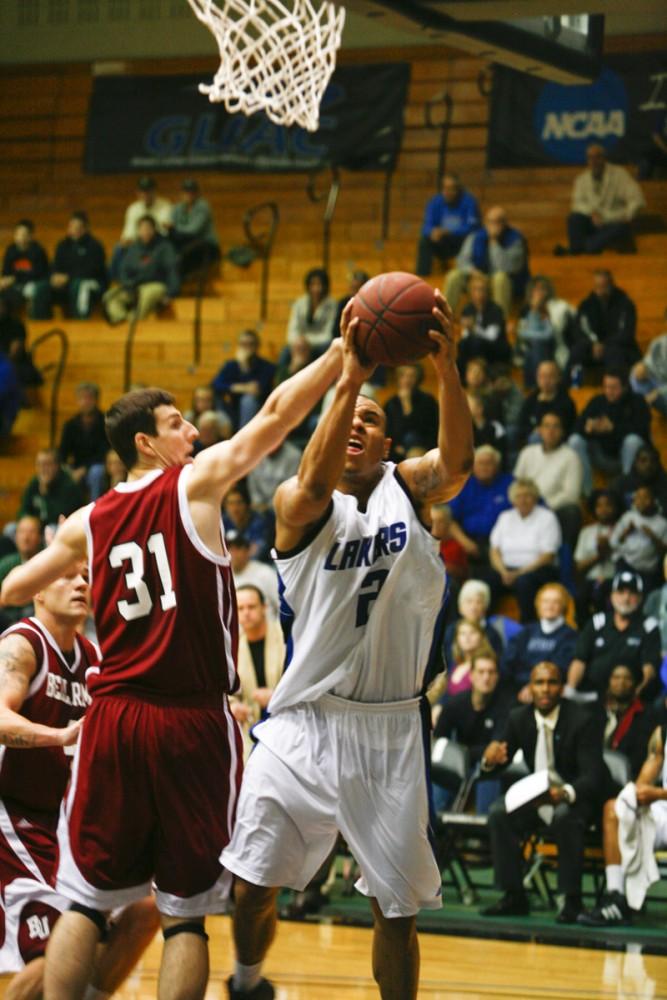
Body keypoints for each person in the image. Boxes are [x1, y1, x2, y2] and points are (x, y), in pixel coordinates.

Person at [0, 333, 347, 1000]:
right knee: (185, 917)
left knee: (84, 903)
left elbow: (16, 586)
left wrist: (70, 543)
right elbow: (273, 418)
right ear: (144, 444)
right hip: (189, 722)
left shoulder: (91, 521)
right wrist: (342, 361)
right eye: (175, 422)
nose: (190, 430)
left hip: (112, 718)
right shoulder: (195, 483)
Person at [220, 291, 473, 1000]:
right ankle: (246, 981)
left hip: (390, 728)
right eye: (349, 417)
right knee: (249, 886)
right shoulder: (299, 508)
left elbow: (456, 463)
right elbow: (308, 476)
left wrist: (447, 370)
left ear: (390, 446)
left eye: (372, 420)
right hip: (305, 721)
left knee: (395, 912)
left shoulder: (411, 491)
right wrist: (351, 378)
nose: (359, 423)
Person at [0, 564, 159, 997]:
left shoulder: (92, 658)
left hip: (70, 822)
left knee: (145, 908)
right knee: (54, 945)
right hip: (15, 820)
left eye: (86, 577)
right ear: (35, 592)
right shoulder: (23, 644)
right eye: (66, 576)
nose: (81, 584)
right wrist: (60, 735)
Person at [480, 662, 605, 923]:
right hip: (538, 794)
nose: (545, 689)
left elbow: (593, 776)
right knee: (499, 813)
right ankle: (514, 895)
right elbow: (498, 762)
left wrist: (566, 792)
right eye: (539, 683)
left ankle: (571, 900)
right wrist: (490, 760)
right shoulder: (518, 717)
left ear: (561, 687)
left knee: (564, 817)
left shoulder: (583, 719)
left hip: (576, 794)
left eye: (552, 682)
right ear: (530, 687)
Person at [578, 719, 667, 928]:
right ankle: (616, 897)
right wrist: (639, 793)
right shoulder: (662, 734)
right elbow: (644, 781)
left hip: (663, 798)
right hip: (663, 809)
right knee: (615, 809)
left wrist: (659, 793)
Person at [433, 652, 513, 814]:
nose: (486, 677)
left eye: (491, 672)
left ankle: (483, 829)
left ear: (497, 677)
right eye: (481, 672)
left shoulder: (507, 706)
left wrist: (467, 752)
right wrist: (463, 754)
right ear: (471, 676)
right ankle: (436, 825)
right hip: (459, 761)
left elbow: (496, 749)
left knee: (490, 771)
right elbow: (439, 743)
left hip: (488, 765)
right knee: (442, 768)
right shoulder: (455, 704)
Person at [567, 569, 662, 703]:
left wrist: (636, 694)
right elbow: (579, 660)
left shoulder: (649, 627)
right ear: (611, 596)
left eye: (632, 593)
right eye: (621, 592)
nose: (626, 598)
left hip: (630, 697)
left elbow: (649, 669)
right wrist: (571, 689)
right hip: (591, 696)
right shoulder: (597, 622)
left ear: (641, 597)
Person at [487, 478, 561, 623]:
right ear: (512, 499)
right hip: (507, 569)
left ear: (535, 498)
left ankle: (527, 626)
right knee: (485, 582)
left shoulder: (547, 517)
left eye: (527, 495)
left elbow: (548, 555)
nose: (523, 500)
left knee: (524, 583)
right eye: (519, 496)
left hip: (538, 569)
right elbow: (494, 550)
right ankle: (483, 627)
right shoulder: (505, 517)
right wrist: (503, 572)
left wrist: (519, 573)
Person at [567, 368, 651, 497]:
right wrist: (589, 428)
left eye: (613, 388)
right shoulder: (598, 401)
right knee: (575, 441)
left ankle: (629, 494)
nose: (608, 391)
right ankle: (588, 493)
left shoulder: (637, 401)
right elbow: (578, 425)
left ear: (624, 387)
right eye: (606, 387)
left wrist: (613, 429)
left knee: (633, 441)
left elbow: (641, 431)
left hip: (626, 455)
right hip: (600, 454)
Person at [556, 144, 645, 256]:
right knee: (574, 218)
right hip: (593, 223)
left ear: (604, 158)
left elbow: (637, 198)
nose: (594, 161)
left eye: (597, 157)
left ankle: (581, 249)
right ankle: (583, 249)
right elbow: (576, 204)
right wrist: (591, 213)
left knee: (621, 228)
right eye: (590, 158)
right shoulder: (582, 179)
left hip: (613, 221)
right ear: (587, 160)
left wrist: (628, 215)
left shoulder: (619, 175)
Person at [514, 411, 583, 547]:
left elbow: (571, 494)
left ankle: (565, 559)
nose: (551, 431)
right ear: (539, 430)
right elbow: (516, 484)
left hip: (553, 508)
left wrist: (543, 507)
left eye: (556, 426)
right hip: (525, 504)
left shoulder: (571, 456)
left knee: (572, 512)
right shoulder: (527, 452)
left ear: (562, 431)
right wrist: (525, 504)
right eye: (547, 426)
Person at [231, 585, 285, 758]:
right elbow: (228, 691)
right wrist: (233, 706)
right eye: (240, 608)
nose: (246, 613)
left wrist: (276, 696)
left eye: (252, 607)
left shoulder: (284, 637)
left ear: (264, 608)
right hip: (251, 728)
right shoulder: (234, 646)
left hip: (288, 721)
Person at [445, 206, 529, 316]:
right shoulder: (475, 237)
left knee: (500, 278)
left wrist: (493, 242)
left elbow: (507, 267)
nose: (494, 225)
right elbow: (461, 260)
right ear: (485, 222)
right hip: (478, 277)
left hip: (504, 283)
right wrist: (472, 271)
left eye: (498, 222)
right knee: (453, 275)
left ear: (505, 223)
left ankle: (499, 322)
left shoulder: (515, 240)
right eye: (490, 222)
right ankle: (444, 316)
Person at [502, 583, 577, 701]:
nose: (550, 606)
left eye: (555, 602)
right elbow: (507, 663)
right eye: (545, 601)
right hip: (517, 689)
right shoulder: (526, 632)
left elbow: (559, 669)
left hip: (548, 692)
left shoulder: (571, 636)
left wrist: (533, 687)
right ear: (538, 605)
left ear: (563, 606)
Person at [102, 216, 180, 325]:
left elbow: (172, 270)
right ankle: (124, 320)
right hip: (134, 287)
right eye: (142, 229)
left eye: (148, 228)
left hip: (157, 285)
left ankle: (136, 321)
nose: (146, 232)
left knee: (147, 294)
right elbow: (124, 271)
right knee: (109, 297)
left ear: (154, 229)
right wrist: (128, 285)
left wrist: (171, 293)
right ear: (138, 231)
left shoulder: (165, 247)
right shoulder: (133, 248)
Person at [447, 445, 512, 569]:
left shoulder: (509, 484)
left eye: (489, 463)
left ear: (497, 466)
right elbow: (450, 520)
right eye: (480, 463)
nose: (485, 468)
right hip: (469, 540)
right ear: (473, 466)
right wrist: (465, 542)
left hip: (503, 543)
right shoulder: (462, 485)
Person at [568, 270, 640, 380]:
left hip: (618, 346)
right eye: (597, 286)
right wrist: (592, 344)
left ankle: (615, 386)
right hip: (592, 346)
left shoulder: (625, 304)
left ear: (611, 285)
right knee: (577, 350)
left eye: (603, 286)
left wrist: (605, 345)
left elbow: (626, 333)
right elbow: (579, 330)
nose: (600, 290)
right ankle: (573, 384)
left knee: (615, 353)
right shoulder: (586, 305)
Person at [416, 173, 481, 276]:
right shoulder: (434, 202)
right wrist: (432, 231)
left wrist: (449, 232)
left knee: (474, 238)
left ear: (459, 189)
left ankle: (469, 273)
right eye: (445, 188)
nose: (448, 192)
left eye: (452, 189)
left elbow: (472, 227)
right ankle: (422, 276)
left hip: (462, 241)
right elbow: (426, 226)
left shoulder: (469, 201)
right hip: (443, 240)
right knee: (424, 239)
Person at [573, 489, 622, 624]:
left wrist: (608, 548)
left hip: (614, 578)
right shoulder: (586, 532)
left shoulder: (623, 530)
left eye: (608, 505)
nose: (603, 509)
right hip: (591, 579)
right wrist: (598, 556)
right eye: (599, 505)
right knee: (579, 597)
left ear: (616, 507)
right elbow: (579, 566)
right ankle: (585, 632)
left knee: (600, 594)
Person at [211, 330, 276, 431]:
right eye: (243, 344)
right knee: (215, 396)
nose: (247, 348)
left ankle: (244, 436)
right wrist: (239, 387)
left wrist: (244, 366)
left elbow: (258, 390)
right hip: (233, 408)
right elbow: (216, 384)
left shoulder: (267, 367)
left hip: (257, 410)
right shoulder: (231, 365)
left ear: (257, 346)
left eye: (251, 344)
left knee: (248, 400)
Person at [110, 176, 172, 279]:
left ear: (154, 191)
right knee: (119, 248)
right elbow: (128, 233)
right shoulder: (133, 208)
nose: (145, 194)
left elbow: (165, 232)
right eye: (142, 191)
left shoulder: (165, 206)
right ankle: (117, 280)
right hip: (138, 242)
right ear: (138, 193)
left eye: (148, 191)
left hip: (157, 243)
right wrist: (126, 241)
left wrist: (147, 235)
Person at [50, 212, 108, 319]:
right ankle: (40, 322)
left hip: (94, 282)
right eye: (72, 226)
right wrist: (55, 276)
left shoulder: (94, 246)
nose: (74, 230)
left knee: (80, 285)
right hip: (68, 281)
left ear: (85, 228)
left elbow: (93, 271)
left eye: (78, 227)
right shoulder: (63, 245)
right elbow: (56, 265)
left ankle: (80, 319)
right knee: (43, 287)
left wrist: (68, 277)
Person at [58, 382, 109, 501]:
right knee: (60, 472)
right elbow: (63, 451)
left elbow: (104, 452)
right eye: (82, 398)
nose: (85, 402)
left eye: (89, 398)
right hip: (76, 466)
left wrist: (84, 469)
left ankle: (93, 510)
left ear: (96, 400)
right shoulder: (70, 424)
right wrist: (66, 468)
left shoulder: (106, 422)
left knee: (96, 473)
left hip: (99, 465)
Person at [610, 485, 667, 591]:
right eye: (638, 498)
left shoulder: (662, 523)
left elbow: (664, 552)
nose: (641, 501)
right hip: (626, 564)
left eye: (645, 497)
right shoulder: (628, 517)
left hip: (648, 570)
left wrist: (652, 536)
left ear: (654, 499)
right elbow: (613, 543)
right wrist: (626, 532)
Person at [457, 273, 512, 374]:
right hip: (474, 346)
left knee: (477, 343)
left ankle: (481, 373)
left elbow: (492, 337)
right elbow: (465, 335)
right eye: (475, 289)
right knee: (462, 345)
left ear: (487, 291)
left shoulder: (495, 310)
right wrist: (468, 329)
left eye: (482, 289)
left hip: (495, 348)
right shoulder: (467, 309)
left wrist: (473, 328)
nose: (479, 293)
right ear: (471, 292)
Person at [517, 360, 577, 448]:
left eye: (550, 376)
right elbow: (522, 423)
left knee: (537, 437)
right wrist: (533, 430)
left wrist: (546, 431)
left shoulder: (566, 401)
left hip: (559, 441)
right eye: (542, 376)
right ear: (537, 378)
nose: (546, 380)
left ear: (558, 378)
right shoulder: (531, 399)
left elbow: (568, 428)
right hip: (533, 437)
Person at [168, 178, 220, 280]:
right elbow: (171, 224)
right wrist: (174, 229)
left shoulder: (203, 206)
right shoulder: (178, 207)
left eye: (192, 192)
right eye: (186, 192)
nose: (189, 195)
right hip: (187, 243)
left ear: (197, 193)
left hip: (207, 246)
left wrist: (175, 228)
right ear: (182, 193)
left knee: (182, 254)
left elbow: (193, 230)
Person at [383, 364, 438, 460]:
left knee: (411, 438)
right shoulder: (391, 403)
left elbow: (424, 429)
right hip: (396, 449)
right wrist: (396, 445)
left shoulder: (427, 401)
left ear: (417, 379)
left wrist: (406, 404)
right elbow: (389, 430)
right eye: (403, 375)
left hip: (423, 447)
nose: (407, 380)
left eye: (411, 376)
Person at [17, 449, 83, 528]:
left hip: (64, 528)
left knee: (51, 528)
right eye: (39, 464)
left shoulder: (69, 486)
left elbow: (58, 517)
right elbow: (23, 509)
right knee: (11, 529)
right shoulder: (34, 483)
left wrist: (46, 494)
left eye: (47, 464)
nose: (43, 469)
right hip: (36, 527)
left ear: (57, 466)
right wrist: (29, 521)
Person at [0, 221, 51, 320]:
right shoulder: (10, 250)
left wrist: (15, 278)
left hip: (34, 283)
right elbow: (6, 272)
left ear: (30, 236)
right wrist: (4, 280)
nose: (21, 237)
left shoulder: (38, 250)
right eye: (18, 234)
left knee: (31, 290)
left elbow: (40, 273)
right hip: (15, 285)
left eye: (24, 234)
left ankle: (35, 320)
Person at [0, 516, 43, 628]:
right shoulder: (7, 563)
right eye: (22, 532)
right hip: (7, 618)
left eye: (31, 532)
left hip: (37, 618)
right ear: (15, 537)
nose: (26, 537)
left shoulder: (46, 563)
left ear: (39, 537)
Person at [227, 533, 280, 620]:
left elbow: (282, 606)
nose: (233, 553)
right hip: (239, 632)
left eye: (238, 548)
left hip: (267, 630)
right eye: (229, 549)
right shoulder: (225, 577)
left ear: (247, 551)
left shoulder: (265, 573)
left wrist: (278, 630)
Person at [285, 267, 337, 352]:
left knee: (326, 349)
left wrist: (306, 341)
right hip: (299, 344)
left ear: (325, 286)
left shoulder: (332, 305)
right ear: (308, 286)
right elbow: (291, 332)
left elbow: (328, 335)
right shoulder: (299, 303)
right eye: (313, 284)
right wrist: (299, 341)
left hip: (320, 345)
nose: (317, 288)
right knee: (286, 352)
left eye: (320, 284)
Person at [246, 440, 302, 514]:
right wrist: (258, 503)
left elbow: (291, 488)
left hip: (284, 507)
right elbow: (253, 486)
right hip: (259, 509)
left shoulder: (294, 456)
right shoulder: (255, 453)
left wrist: (269, 506)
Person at [445, 619, 496, 699]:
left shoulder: (486, 663)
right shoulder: (455, 663)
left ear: (481, 637)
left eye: (472, 632)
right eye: (462, 633)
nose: (467, 637)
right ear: (457, 638)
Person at [613, 443, 667, 515]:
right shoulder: (621, 483)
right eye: (643, 460)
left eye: (653, 461)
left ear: (658, 464)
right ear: (635, 462)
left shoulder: (664, 484)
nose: (648, 465)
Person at [629, 312, 667, 417]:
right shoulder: (658, 343)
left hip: (663, 389)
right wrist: (642, 366)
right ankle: (643, 405)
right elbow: (647, 363)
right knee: (635, 375)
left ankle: (651, 402)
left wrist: (658, 393)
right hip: (659, 382)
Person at [223, 485, 271, 562]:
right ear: (225, 506)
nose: (235, 508)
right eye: (230, 503)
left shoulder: (259, 523)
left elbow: (257, 553)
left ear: (247, 505)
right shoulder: (222, 522)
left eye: (239, 503)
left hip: (255, 566)